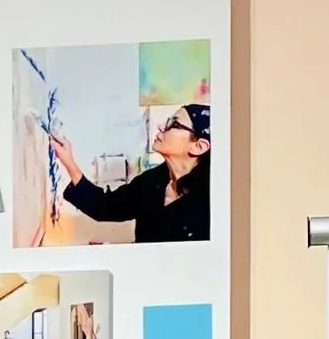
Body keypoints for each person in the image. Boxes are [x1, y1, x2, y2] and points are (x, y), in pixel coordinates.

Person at [51, 104, 211, 244]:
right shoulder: (152, 181)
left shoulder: (213, 199)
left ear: (199, 146)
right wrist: (68, 162)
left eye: (174, 124)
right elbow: (105, 207)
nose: (162, 127)